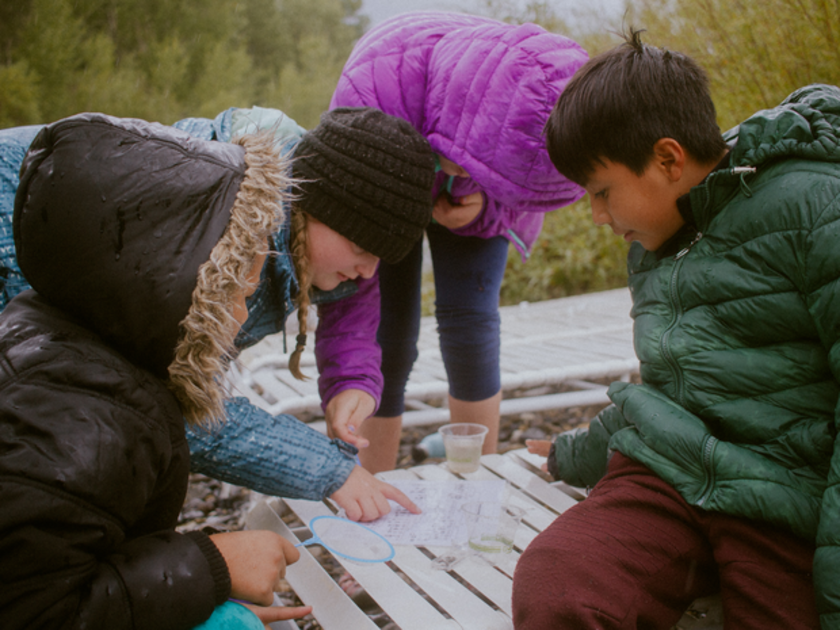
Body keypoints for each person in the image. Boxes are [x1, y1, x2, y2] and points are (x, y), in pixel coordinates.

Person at [513, 29, 839, 628]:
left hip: (781, 498)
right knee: (558, 584)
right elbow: (668, 387)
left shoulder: (816, 209)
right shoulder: (655, 241)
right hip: (666, 477)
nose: (600, 217)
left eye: (603, 192)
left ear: (667, 159)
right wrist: (573, 453)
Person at [0, 106, 435, 521]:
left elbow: (355, 307)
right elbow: (173, 399)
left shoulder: (307, 228)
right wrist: (329, 469)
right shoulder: (207, 227)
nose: (368, 271)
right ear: (319, 211)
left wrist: (352, 382)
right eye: (362, 250)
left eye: (381, 258)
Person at [0, 113, 313, 629]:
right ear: (168, 281)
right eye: (239, 283)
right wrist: (213, 566)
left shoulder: (52, 330)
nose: (247, 302)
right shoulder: (93, 417)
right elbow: (34, 611)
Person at [324, 11, 589, 473]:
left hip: (471, 182)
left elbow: (525, 181)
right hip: (388, 160)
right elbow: (355, 283)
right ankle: (371, 483)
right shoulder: (370, 92)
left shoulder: (525, 99)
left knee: (470, 321)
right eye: (467, 164)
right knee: (388, 334)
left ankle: (477, 477)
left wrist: (485, 203)